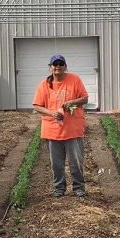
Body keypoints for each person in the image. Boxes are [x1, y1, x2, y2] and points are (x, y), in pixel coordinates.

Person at [31, 54, 89, 198]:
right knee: (56, 163)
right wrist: (51, 113)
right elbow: (37, 106)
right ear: (50, 67)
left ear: (65, 66)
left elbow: (85, 98)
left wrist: (71, 103)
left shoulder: (74, 80)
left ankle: (79, 188)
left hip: (73, 129)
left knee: (76, 162)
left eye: (60, 64)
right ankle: (59, 188)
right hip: (52, 131)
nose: (58, 66)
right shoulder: (44, 84)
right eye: (55, 64)